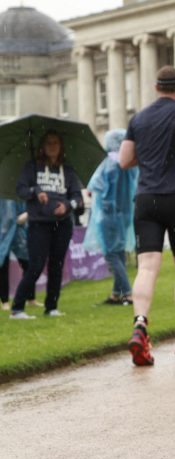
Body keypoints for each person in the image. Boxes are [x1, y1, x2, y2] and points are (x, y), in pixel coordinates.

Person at [120, 65, 175, 365]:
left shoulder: (139, 118)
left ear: (156, 88)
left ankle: (140, 324)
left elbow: (124, 160)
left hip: (146, 198)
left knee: (147, 267)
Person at [10, 131, 83, 319]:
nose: (52, 146)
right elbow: (20, 189)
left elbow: (78, 198)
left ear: (61, 146)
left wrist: (67, 205)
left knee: (57, 266)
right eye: (48, 143)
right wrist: (35, 191)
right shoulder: (32, 167)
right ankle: (17, 308)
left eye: (56, 142)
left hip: (62, 224)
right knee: (35, 265)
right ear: (42, 146)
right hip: (38, 224)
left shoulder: (68, 170)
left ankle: (51, 307)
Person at [83, 129, 139, 304]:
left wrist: (100, 199)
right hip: (124, 213)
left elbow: (100, 190)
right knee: (119, 252)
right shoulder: (128, 162)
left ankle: (128, 293)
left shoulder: (110, 163)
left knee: (111, 255)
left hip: (108, 215)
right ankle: (117, 292)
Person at [0, 199, 35, 309]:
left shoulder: (18, 189)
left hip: (18, 232)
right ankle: (4, 301)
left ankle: (30, 298)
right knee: (3, 265)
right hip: (2, 233)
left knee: (29, 264)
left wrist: (25, 214)